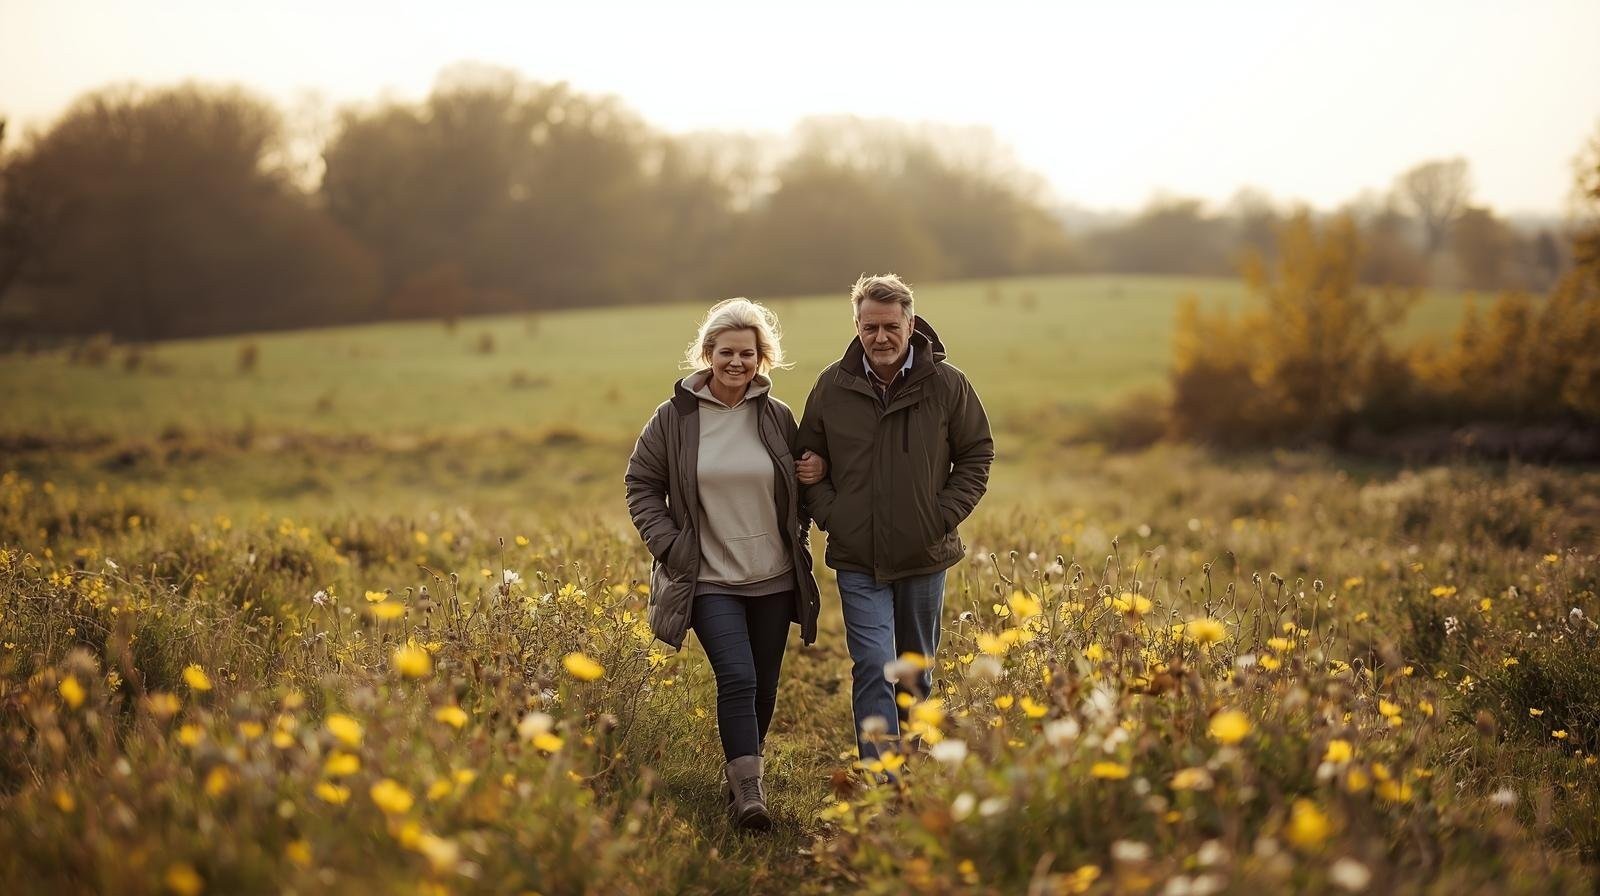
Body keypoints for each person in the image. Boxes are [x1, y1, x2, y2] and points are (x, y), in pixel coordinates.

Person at [625, 297, 826, 830]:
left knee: (763, 684)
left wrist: (813, 473)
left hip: (774, 577)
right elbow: (640, 483)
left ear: (762, 358)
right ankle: (751, 795)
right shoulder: (674, 419)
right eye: (725, 352)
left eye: (747, 353)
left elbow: (801, 488)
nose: (736, 362)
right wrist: (670, 546)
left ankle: (739, 777)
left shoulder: (777, 417)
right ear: (707, 354)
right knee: (736, 676)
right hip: (709, 577)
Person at [796, 274, 993, 765]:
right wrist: (832, 515)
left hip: (924, 553)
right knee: (872, 665)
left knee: (913, 670)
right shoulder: (832, 386)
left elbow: (976, 454)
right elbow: (805, 459)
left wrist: (942, 515)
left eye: (890, 326)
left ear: (910, 323)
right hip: (858, 554)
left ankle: (911, 766)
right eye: (869, 327)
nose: (880, 337)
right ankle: (881, 776)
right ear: (857, 327)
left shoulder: (947, 385)